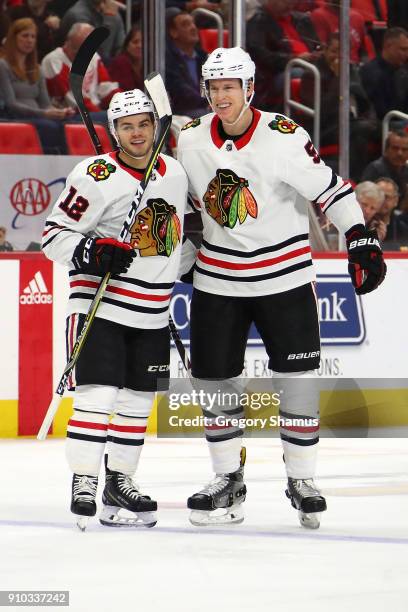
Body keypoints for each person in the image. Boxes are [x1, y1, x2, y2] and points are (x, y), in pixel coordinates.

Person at [177, 47, 386, 529]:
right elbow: (185, 204)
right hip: (217, 280)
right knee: (216, 382)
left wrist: (359, 238)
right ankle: (227, 480)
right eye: (214, 87)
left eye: (230, 86)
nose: (221, 95)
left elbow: (331, 190)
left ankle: (301, 478)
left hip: (284, 277)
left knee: (297, 380)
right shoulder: (189, 140)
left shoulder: (284, 138)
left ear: (250, 89)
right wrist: (184, 255)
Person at [41, 89, 188, 529]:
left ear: (155, 126)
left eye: (144, 124)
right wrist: (93, 251)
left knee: (139, 402)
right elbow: (53, 235)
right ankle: (84, 479)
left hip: (154, 309)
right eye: (127, 126)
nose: (137, 133)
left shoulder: (175, 174)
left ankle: (120, 481)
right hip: (100, 304)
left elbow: (177, 237)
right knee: (98, 396)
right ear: (114, 132)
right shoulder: (96, 173)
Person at [300, 32, 379, 181]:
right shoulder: (312, 74)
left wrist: (370, 118)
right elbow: (320, 112)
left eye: (343, 53)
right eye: (334, 51)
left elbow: (364, 101)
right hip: (325, 127)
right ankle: (355, 180)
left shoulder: (351, 70)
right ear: (325, 50)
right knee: (360, 131)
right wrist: (338, 79)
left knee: (382, 130)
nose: (338, 57)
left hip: (352, 121)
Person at [0, 17, 74, 153]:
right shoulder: (3, 66)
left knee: (69, 124)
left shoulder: (37, 68)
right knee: (51, 128)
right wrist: (44, 113)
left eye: (33, 37)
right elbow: (11, 104)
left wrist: (59, 112)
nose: (29, 40)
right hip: (15, 117)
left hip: (39, 116)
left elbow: (45, 103)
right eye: (25, 36)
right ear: (13, 38)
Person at [246, 0, 321, 111]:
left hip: (309, 64)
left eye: (292, 2)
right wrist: (294, 59)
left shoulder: (301, 20)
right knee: (302, 74)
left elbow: (316, 45)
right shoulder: (258, 22)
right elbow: (261, 56)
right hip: (276, 74)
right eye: (286, 2)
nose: (290, 6)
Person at [42, 23, 120, 117]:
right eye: (76, 49)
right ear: (68, 42)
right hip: (71, 114)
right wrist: (104, 117)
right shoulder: (53, 61)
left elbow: (106, 87)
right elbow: (77, 102)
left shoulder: (92, 55)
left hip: (95, 111)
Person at [165, 8, 209, 118]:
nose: (193, 28)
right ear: (173, 32)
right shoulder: (168, 59)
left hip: (205, 107)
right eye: (186, 25)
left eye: (193, 23)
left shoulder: (203, 56)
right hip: (180, 112)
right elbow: (180, 91)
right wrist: (208, 101)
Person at [360, 27, 408, 121]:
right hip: (383, 126)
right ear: (388, 46)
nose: (407, 54)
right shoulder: (371, 73)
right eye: (403, 49)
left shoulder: (403, 71)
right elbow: (379, 113)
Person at [60, 0, 125, 62]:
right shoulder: (77, 15)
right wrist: (110, 19)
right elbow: (98, 55)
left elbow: (121, 48)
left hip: (106, 67)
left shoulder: (111, 12)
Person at [361, 130, 408, 210]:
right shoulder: (375, 169)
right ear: (386, 150)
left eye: (404, 149)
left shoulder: (406, 170)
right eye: (395, 148)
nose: (399, 153)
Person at [107, 23, 143, 92]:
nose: (139, 46)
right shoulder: (120, 63)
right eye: (135, 42)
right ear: (127, 45)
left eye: (143, 42)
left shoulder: (151, 64)